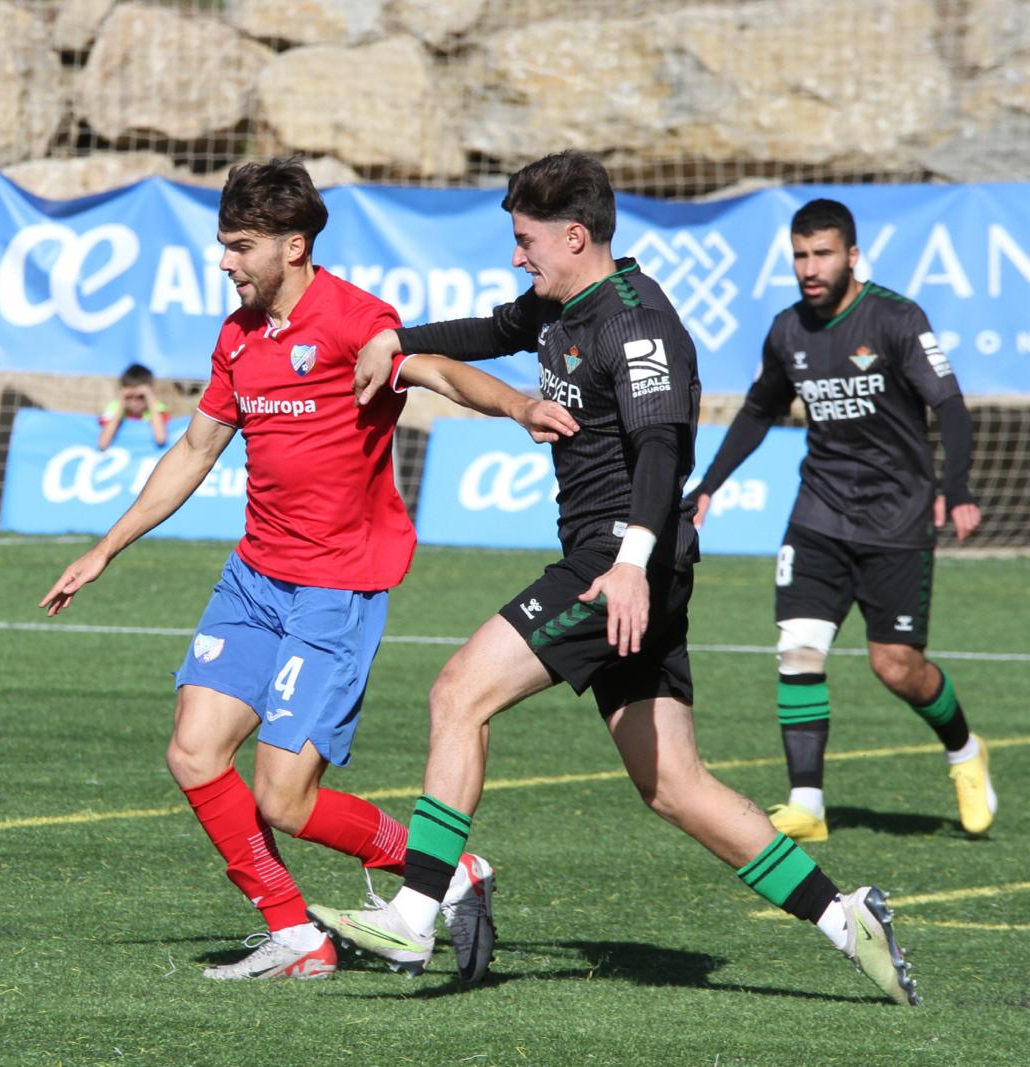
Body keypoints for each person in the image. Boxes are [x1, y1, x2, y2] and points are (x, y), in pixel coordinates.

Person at [318, 152, 919, 1005]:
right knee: (673, 784)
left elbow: (663, 448)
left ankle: (416, 913)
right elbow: (493, 328)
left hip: (617, 559)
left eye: (526, 241)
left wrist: (631, 563)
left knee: (459, 691)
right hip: (630, 561)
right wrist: (397, 341)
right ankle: (842, 915)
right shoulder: (562, 306)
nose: (517, 257)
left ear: (574, 236)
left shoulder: (637, 324)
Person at [40, 158, 578, 982]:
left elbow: (435, 370)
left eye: (241, 246)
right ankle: (296, 934)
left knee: (283, 800)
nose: (226, 262)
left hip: (336, 587)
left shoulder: (356, 321)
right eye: (223, 244)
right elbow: (194, 449)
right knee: (193, 752)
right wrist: (105, 548)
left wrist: (517, 407)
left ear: (294, 246)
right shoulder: (237, 336)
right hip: (254, 577)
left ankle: (449, 872)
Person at [685, 198, 993, 841]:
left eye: (822, 254)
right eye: (800, 256)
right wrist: (709, 485)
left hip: (897, 519)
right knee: (798, 649)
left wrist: (955, 486)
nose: (809, 267)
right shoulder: (787, 331)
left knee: (897, 667)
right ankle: (808, 806)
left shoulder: (896, 319)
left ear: (851, 256)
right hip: (819, 514)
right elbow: (757, 411)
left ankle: (965, 750)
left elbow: (952, 408)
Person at [97, 363, 169, 451]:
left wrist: (150, 401)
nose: (135, 402)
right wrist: (121, 406)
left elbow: (161, 439)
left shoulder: (157, 408)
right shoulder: (114, 407)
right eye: (129, 397)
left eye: (141, 397)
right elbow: (102, 444)